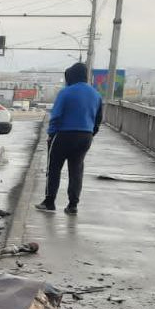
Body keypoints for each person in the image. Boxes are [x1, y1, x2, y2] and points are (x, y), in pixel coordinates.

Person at [36, 61, 103, 216]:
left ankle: (49, 202)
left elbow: (56, 116)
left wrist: (51, 134)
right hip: (85, 136)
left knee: (54, 168)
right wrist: (90, 133)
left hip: (63, 135)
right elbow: (99, 118)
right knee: (76, 170)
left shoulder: (66, 92)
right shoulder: (96, 94)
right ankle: (72, 205)